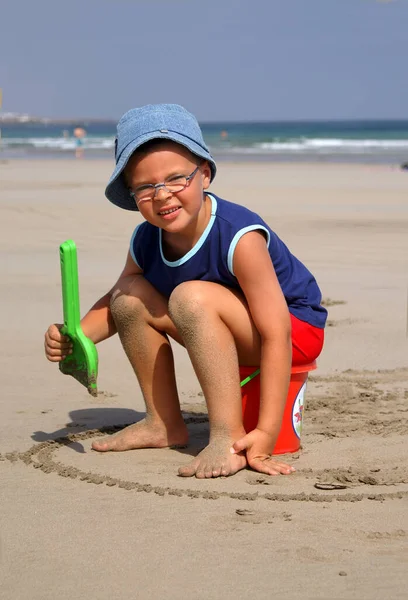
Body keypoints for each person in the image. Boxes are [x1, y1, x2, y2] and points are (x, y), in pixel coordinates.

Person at [44, 104, 327, 479]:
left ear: (204, 175)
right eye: (145, 186)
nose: (162, 195)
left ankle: (228, 436)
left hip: (294, 331)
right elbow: (115, 305)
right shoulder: (146, 240)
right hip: (222, 324)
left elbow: (278, 334)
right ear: (131, 194)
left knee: (190, 296)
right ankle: (161, 423)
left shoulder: (239, 236)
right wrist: (75, 337)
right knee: (129, 295)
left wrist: (267, 430)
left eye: (176, 178)